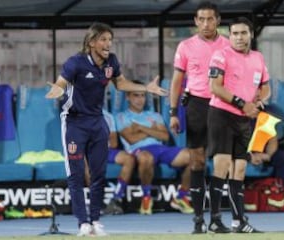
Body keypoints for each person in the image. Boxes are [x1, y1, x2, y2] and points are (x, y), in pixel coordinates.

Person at [45, 22, 167, 237]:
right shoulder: (76, 62)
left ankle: (96, 221)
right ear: (91, 42)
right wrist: (56, 91)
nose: (108, 44)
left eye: (110, 40)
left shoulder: (111, 62)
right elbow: (60, 84)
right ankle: (83, 223)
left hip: (98, 122)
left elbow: (120, 84)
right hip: (74, 123)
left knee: (98, 174)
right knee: (75, 175)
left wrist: (145, 88)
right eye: (103, 39)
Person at [169, 1, 230, 234]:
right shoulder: (185, 46)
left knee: (222, 163)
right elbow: (176, 81)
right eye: (201, 19)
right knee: (197, 162)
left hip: (222, 106)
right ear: (195, 21)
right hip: (196, 105)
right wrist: (174, 112)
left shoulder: (228, 45)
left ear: (218, 20)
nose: (206, 23)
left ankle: (216, 218)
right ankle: (197, 220)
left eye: (210, 19)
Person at [207, 17, 271, 233]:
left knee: (240, 169)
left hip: (245, 119)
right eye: (235, 33)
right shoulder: (220, 55)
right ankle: (215, 220)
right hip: (222, 115)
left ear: (250, 34)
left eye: (243, 33)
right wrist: (243, 104)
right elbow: (215, 87)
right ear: (229, 35)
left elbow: (265, 86)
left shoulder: (258, 58)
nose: (239, 37)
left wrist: (259, 101)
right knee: (222, 165)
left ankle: (239, 222)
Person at [116, 80, 194, 215]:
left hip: (160, 148)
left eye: (142, 95)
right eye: (136, 95)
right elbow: (131, 138)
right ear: (128, 97)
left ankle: (180, 197)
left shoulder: (154, 115)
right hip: (138, 151)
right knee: (146, 157)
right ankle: (146, 197)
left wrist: (140, 128)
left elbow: (164, 136)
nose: (140, 100)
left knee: (194, 157)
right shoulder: (122, 116)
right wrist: (153, 131)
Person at [102, 108, 136, 215]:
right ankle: (97, 202)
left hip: (105, 150)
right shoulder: (78, 115)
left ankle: (116, 199)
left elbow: (113, 143)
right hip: (88, 151)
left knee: (129, 159)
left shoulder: (107, 116)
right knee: (85, 161)